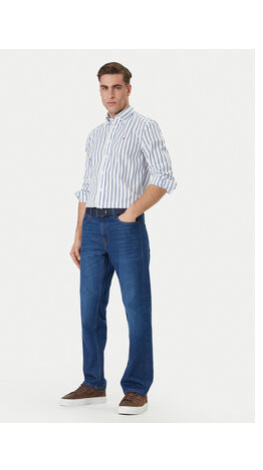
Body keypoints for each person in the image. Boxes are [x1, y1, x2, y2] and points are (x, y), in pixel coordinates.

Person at [61, 62, 177, 415]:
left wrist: (130, 213)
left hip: (126, 227)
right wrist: (79, 233)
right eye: (104, 87)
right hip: (92, 227)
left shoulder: (145, 126)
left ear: (128, 88)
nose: (110, 94)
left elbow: (163, 177)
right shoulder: (95, 135)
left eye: (116, 87)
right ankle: (93, 382)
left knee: (137, 309)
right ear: (99, 90)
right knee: (89, 309)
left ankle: (137, 388)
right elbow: (87, 187)